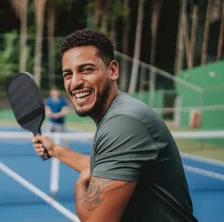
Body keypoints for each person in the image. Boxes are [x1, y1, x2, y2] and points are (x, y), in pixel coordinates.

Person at [32, 29, 197, 222]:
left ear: (113, 70)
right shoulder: (119, 113)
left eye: (86, 70)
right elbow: (107, 168)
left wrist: (79, 187)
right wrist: (56, 150)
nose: (75, 82)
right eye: (68, 74)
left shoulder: (123, 123)